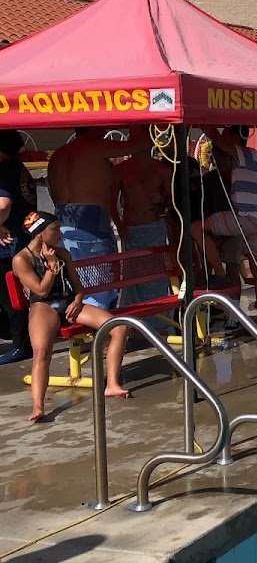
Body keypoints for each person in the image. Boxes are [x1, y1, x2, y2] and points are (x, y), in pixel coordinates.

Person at [15, 211, 130, 421]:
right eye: (54, 229)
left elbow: (78, 287)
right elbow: (41, 291)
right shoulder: (21, 259)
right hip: (43, 306)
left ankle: (112, 383)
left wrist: (77, 302)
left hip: (69, 303)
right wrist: (51, 267)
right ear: (40, 234)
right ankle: (38, 406)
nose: (59, 233)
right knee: (41, 352)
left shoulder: (62, 252)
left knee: (119, 327)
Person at [47, 126, 148, 310]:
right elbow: (138, 145)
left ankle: (83, 318)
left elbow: (52, 191)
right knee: (101, 278)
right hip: (90, 219)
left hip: (62, 218)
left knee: (73, 274)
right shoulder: (95, 145)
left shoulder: (58, 154)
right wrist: (141, 123)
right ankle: (101, 324)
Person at [197, 126, 257, 326]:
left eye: (226, 134)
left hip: (245, 217)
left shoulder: (240, 153)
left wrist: (204, 123)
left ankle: (219, 275)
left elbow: (215, 137)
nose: (222, 137)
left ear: (235, 137)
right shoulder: (256, 156)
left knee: (195, 227)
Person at [113, 140, 174, 304]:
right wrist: (119, 226)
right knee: (133, 280)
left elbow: (172, 203)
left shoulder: (162, 170)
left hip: (154, 227)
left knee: (155, 278)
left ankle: (157, 320)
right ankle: (135, 322)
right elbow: (111, 202)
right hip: (131, 229)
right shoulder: (121, 170)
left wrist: (161, 202)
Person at [0, 130, 36, 365]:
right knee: (19, 291)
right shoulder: (19, 167)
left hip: (8, 241)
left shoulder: (2, 170)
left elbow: (3, 204)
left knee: (9, 293)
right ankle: (19, 337)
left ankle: (21, 344)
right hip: (24, 236)